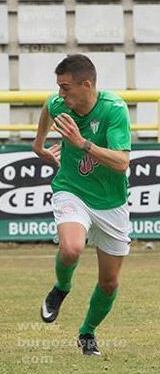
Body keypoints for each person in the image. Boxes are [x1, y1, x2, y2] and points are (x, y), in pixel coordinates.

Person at [33, 54, 131, 356]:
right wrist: (39, 148)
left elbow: (122, 162)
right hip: (71, 189)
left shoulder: (114, 110)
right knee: (71, 248)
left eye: (66, 88)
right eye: (59, 88)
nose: (61, 95)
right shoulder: (59, 104)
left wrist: (82, 143)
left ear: (86, 84)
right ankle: (61, 288)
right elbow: (48, 107)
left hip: (111, 202)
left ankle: (87, 332)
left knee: (110, 282)